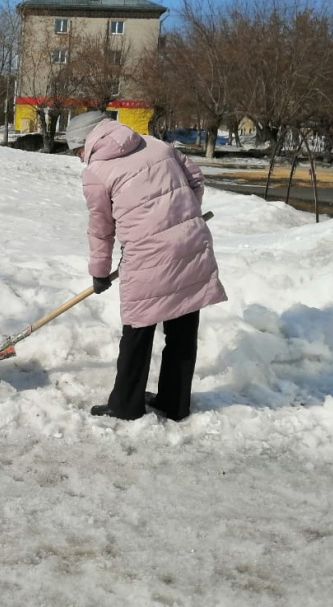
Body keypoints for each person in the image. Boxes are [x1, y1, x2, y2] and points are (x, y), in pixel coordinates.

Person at [65, 111, 227, 421]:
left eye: (77, 151)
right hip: (191, 243)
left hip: (147, 254)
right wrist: (182, 216)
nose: (78, 158)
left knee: (138, 331)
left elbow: (101, 227)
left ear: (87, 141)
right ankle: (174, 402)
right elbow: (195, 178)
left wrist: (99, 272)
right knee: (182, 329)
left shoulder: (97, 172)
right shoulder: (157, 145)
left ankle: (126, 405)